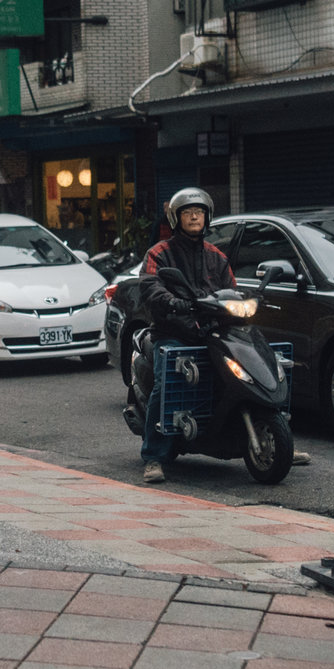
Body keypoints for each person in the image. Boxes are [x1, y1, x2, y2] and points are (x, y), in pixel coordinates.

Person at [130, 186, 236, 485]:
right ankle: (153, 456)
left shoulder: (217, 256)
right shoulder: (159, 253)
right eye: (188, 212)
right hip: (172, 331)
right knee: (168, 384)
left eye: (199, 212)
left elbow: (232, 288)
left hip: (212, 331)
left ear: (208, 217)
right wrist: (172, 302)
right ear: (176, 218)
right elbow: (150, 286)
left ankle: (266, 435)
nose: (194, 216)